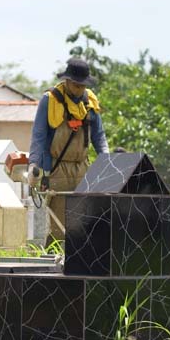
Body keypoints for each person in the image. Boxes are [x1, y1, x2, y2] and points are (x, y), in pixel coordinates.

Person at [28, 58, 109, 244]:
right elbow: (38, 137)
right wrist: (34, 165)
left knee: (83, 223)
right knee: (60, 226)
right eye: (76, 85)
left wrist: (107, 160)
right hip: (57, 169)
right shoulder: (50, 101)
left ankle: (81, 265)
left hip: (82, 169)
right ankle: (54, 264)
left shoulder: (90, 102)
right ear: (67, 81)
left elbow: (99, 137)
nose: (80, 89)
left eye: (83, 85)